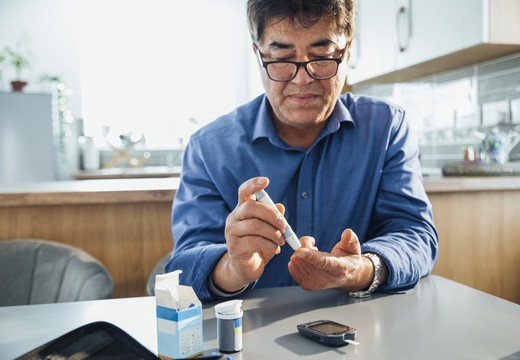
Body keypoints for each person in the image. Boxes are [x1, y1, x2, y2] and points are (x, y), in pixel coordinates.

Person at [166, 0, 438, 302]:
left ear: (347, 52)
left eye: (322, 56)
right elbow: (184, 265)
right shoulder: (209, 148)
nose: (303, 78)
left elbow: (416, 235)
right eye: (282, 57)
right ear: (258, 55)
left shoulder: (386, 127)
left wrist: (359, 270)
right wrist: (233, 269)